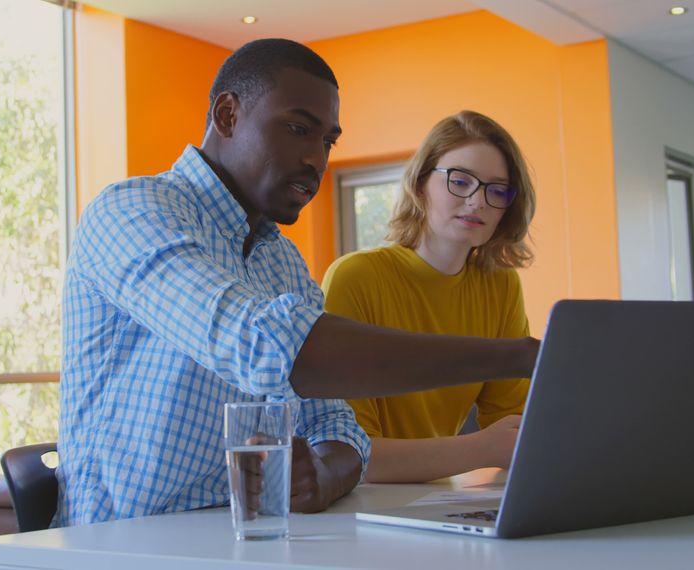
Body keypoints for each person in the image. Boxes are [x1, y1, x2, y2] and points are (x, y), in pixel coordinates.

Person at [55, 39, 540, 527]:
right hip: (118, 541)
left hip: (239, 541)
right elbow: (269, 346)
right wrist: (520, 355)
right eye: (297, 129)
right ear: (227, 115)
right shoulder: (132, 211)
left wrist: (327, 472)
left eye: (328, 141)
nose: (316, 159)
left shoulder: (281, 261)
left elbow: (336, 425)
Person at [322, 111, 536, 483]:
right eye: (460, 180)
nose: (477, 200)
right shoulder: (355, 277)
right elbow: (352, 455)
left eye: (496, 189)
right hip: (359, 506)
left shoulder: (501, 287)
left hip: (439, 500)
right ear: (420, 185)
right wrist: (482, 448)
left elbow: (514, 431)